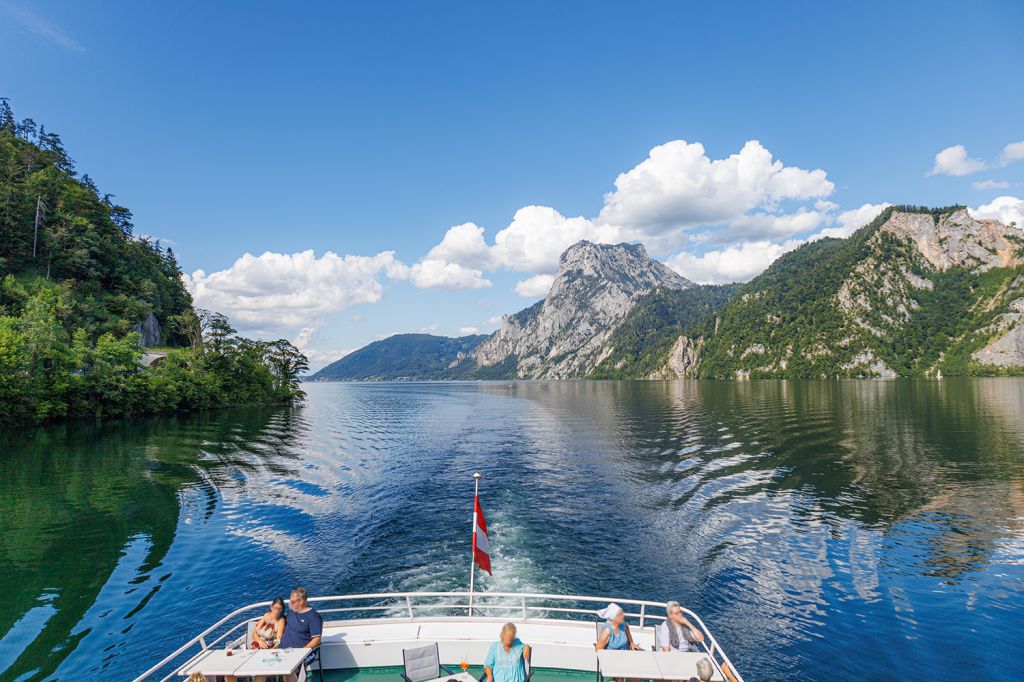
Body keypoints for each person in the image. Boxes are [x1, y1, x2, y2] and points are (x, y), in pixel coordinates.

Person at [279, 587, 323, 682]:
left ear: (301, 601)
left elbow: (317, 639)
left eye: (293, 601)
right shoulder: (291, 612)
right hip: (282, 651)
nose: (290, 603)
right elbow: (282, 622)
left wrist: (301, 652)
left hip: (303, 653)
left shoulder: (313, 617)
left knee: (289, 669)